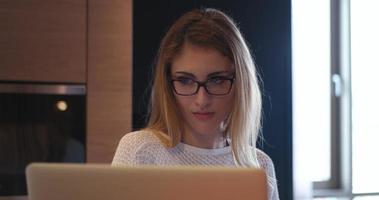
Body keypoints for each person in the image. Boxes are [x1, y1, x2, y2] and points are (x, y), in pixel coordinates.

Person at [112, 8, 279, 200]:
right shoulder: (140, 151)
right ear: (168, 84)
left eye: (217, 80)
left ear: (241, 84)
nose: (202, 100)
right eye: (185, 80)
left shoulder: (260, 166)